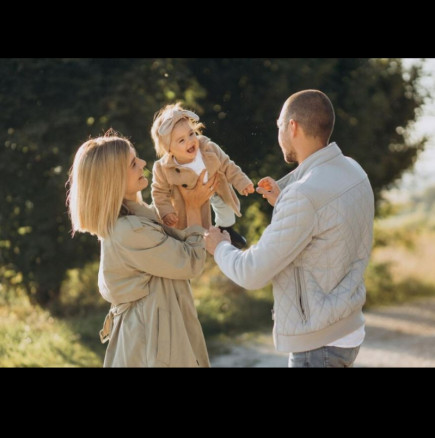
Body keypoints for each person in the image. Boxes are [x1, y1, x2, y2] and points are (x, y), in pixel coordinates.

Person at [205, 90, 375, 368]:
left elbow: (252, 272)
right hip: (348, 330)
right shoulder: (354, 170)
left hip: (317, 345)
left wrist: (219, 247)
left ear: (292, 126)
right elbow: (328, 221)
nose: (279, 133)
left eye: (279, 126)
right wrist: (284, 198)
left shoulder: (304, 196)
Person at [67, 131, 218, 367]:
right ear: (112, 179)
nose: (144, 164)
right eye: (133, 163)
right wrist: (193, 206)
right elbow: (190, 261)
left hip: (153, 340)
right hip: (152, 347)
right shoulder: (130, 231)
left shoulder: (139, 219)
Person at [150, 102, 255, 249]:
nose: (190, 141)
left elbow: (227, 165)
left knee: (226, 209)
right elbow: (159, 192)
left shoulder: (208, 148)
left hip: (215, 188)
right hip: (188, 204)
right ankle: (198, 245)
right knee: (194, 227)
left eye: (191, 133)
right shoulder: (163, 168)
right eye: (181, 140)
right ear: (169, 149)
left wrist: (242, 183)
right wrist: (166, 212)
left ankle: (226, 230)